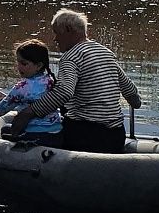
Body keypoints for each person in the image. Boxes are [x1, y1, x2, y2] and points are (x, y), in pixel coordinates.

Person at [9, 8, 140, 153]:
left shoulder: (71, 57)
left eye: (57, 34)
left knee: (42, 129)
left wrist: (29, 112)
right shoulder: (104, 52)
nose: (55, 39)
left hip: (86, 136)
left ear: (68, 30)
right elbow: (131, 92)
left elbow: (64, 92)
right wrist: (135, 102)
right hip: (116, 135)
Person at [0, 39, 63, 147]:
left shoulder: (21, 87)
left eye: (24, 63)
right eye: (18, 62)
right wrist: (6, 97)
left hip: (35, 134)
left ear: (39, 66)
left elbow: (0, 110)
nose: (19, 66)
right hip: (55, 131)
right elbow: (31, 97)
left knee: (5, 130)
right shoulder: (50, 80)